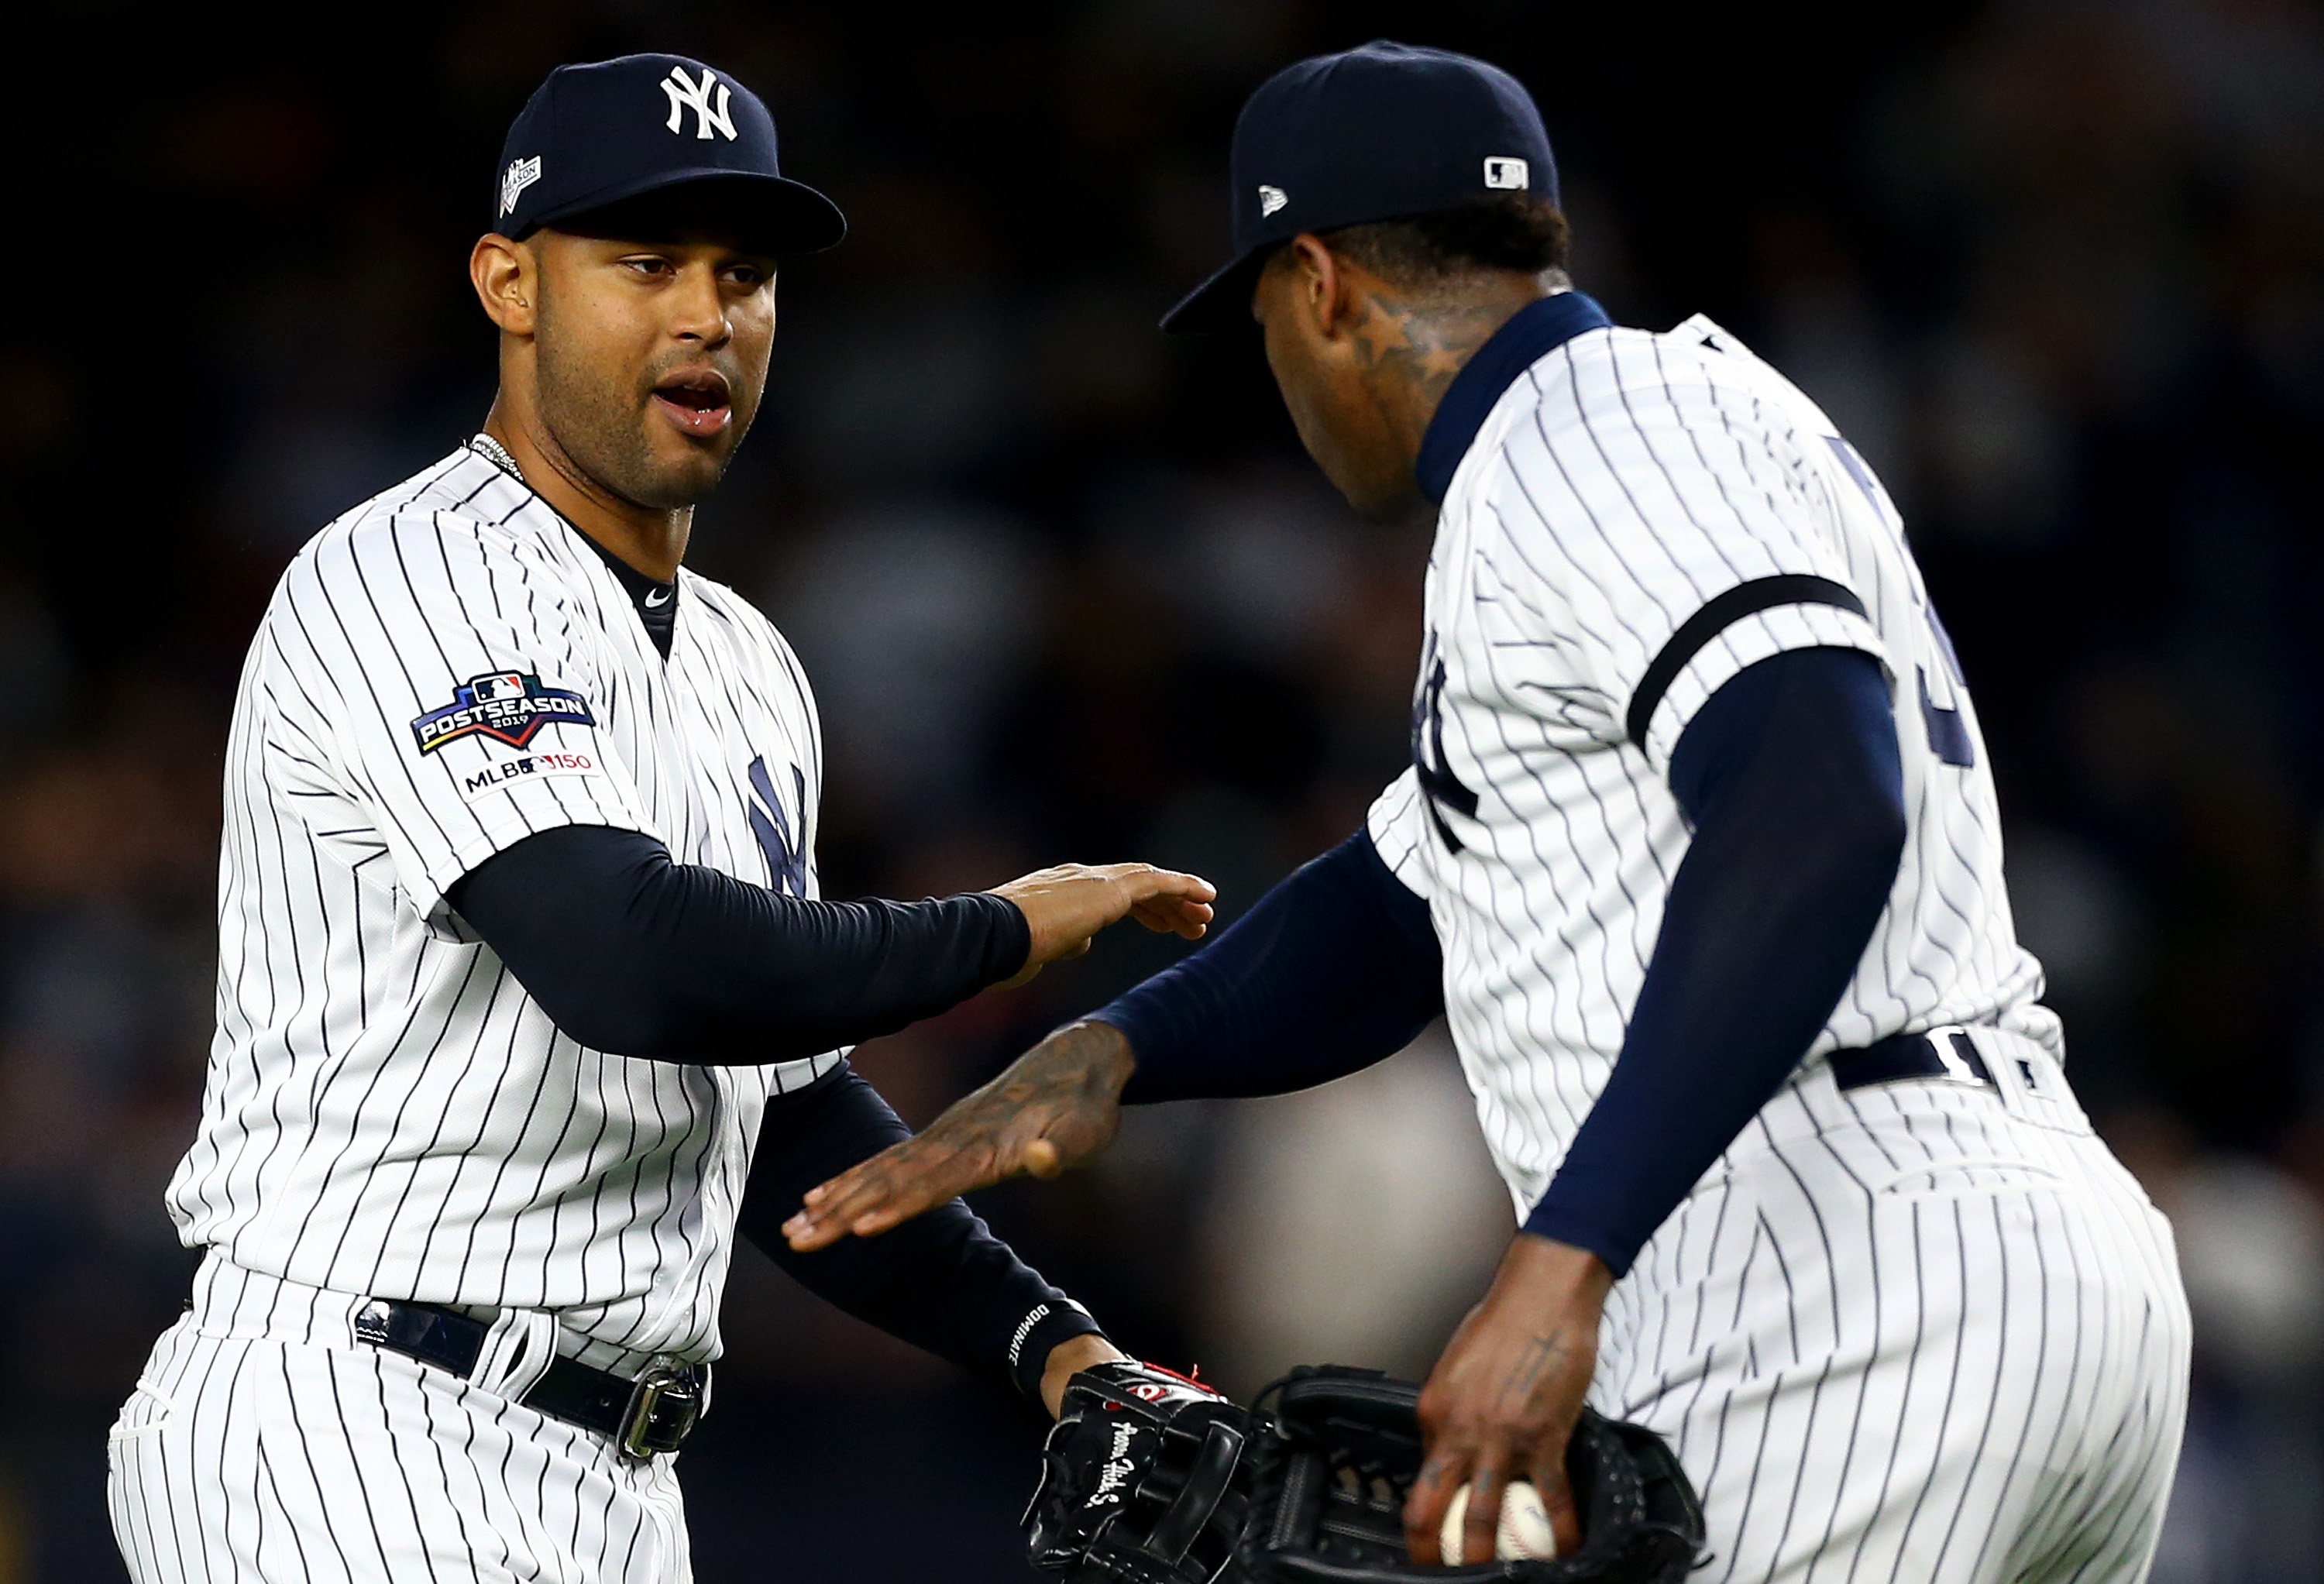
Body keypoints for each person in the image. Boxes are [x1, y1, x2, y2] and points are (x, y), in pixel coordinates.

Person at [785, 40, 2192, 1584]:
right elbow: (1400, 899)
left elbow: (1818, 793)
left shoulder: (1587, 446)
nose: (1275, 367)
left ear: (1319, 284)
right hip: (1996, 1248)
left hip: (1835, 1279)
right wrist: (1121, 1048)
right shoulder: (1618, 450)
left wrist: (1561, 1256)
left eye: (1261, 318)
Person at [103, 53, 1213, 1584]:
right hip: (350, 1416)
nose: (710, 312)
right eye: (646, 262)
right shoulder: (410, 574)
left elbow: (777, 1112)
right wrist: (1014, 926)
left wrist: (1054, 1349)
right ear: (510, 282)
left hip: (616, 1474)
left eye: (743, 272)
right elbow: (630, 961)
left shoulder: (753, 666)